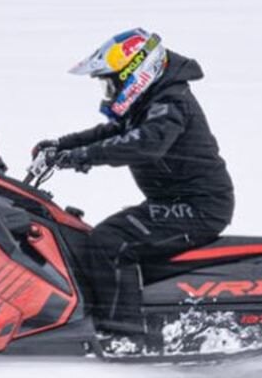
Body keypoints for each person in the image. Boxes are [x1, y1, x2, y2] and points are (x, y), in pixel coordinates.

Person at [32, 28, 235, 332]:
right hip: (178, 203)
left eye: (110, 83)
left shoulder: (171, 102)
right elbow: (114, 132)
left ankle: (125, 334)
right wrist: (62, 145)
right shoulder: (152, 100)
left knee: (109, 242)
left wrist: (79, 156)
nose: (109, 92)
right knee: (82, 235)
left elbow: (144, 143)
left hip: (200, 208)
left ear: (135, 73)